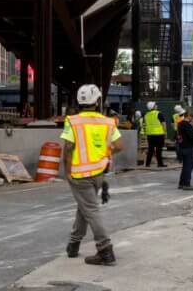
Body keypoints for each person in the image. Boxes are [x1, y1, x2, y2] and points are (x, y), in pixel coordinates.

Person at [60, 84, 123, 267]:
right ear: (97, 102)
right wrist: (105, 152)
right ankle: (73, 245)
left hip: (79, 174)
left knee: (90, 209)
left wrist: (67, 172)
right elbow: (119, 146)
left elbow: (68, 149)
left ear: (80, 102)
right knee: (85, 207)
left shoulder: (73, 121)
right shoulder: (108, 122)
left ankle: (105, 250)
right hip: (99, 173)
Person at [174, 105, 193, 190]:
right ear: (188, 116)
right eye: (192, 117)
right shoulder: (187, 125)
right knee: (189, 166)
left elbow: (179, 136)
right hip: (188, 148)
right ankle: (186, 184)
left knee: (185, 166)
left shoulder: (180, 124)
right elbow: (192, 137)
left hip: (182, 147)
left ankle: (182, 183)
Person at [141, 100, 167, 169]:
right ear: (153, 107)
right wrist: (165, 132)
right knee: (159, 150)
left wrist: (146, 134)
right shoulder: (159, 113)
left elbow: (144, 125)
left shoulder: (146, 115)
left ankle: (147, 164)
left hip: (150, 135)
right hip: (159, 134)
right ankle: (160, 164)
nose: (157, 106)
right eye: (155, 105)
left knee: (150, 150)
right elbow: (163, 124)